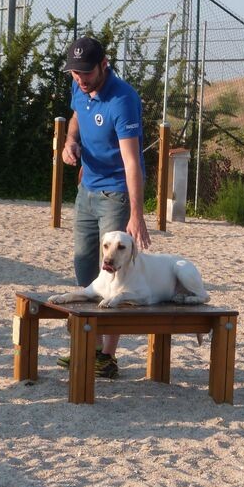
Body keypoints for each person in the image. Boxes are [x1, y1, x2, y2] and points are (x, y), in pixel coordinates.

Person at [59, 35, 151, 379]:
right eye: (75, 73)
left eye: (86, 72)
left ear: (104, 64)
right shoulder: (80, 88)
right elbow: (75, 120)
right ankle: (90, 344)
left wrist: (137, 214)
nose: (80, 79)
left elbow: (131, 161)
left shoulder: (123, 99)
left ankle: (106, 356)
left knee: (114, 269)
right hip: (87, 191)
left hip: (116, 193)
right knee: (85, 266)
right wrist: (71, 143)